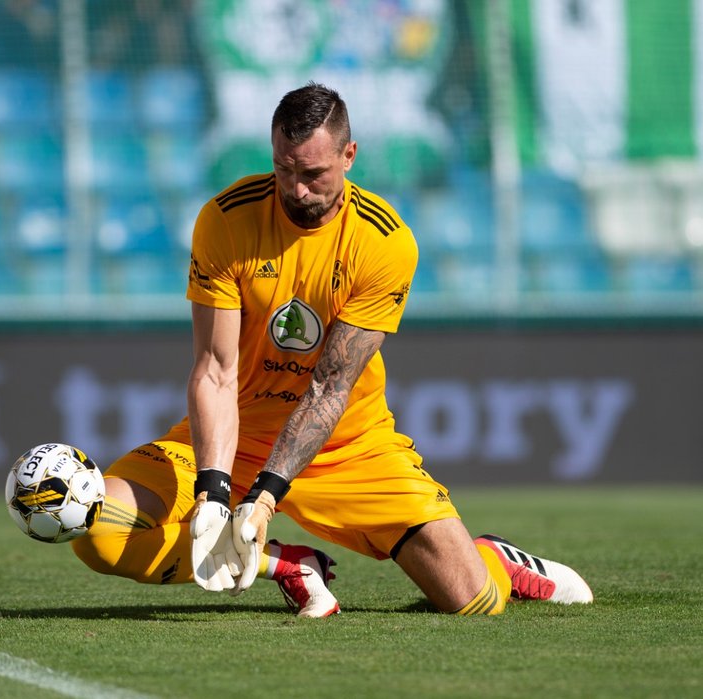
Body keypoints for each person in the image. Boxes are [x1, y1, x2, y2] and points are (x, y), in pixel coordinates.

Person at [70, 82, 593, 617]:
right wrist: (213, 490)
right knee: (98, 529)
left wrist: (265, 497)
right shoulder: (225, 219)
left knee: (472, 601)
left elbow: (329, 386)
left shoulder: (383, 241)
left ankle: (493, 560)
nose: (296, 190)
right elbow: (215, 371)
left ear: (349, 156)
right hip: (238, 436)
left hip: (348, 444)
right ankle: (290, 566)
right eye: (283, 170)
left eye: (313, 174)